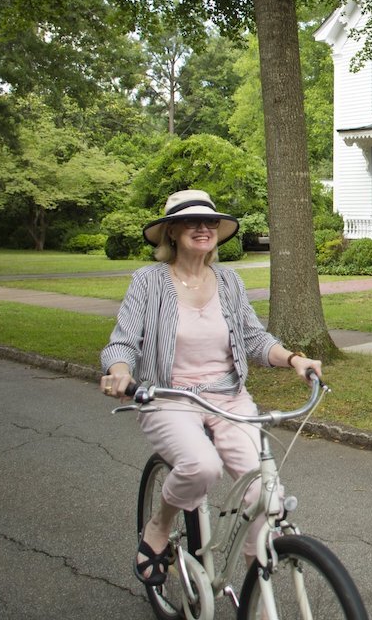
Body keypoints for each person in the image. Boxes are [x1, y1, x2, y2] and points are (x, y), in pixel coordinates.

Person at [99, 189, 323, 586]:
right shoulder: (148, 281)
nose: (202, 228)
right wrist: (120, 372)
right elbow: (122, 341)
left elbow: (255, 339)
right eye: (191, 222)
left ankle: (258, 581)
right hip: (171, 398)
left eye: (209, 222)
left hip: (229, 397)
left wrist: (293, 359)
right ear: (171, 232)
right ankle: (160, 525)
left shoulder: (229, 281)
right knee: (202, 466)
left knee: (266, 497)